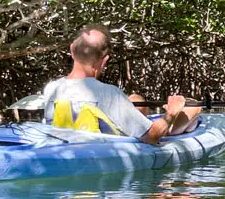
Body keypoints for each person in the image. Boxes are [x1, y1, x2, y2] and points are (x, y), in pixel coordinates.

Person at [42, 25, 201, 144]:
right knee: (194, 106)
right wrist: (172, 112)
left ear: (71, 50)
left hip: (66, 147)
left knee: (135, 99)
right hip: (102, 152)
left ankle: (141, 117)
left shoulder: (52, 88)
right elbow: (151, 137)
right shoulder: (108, 94)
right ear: (104, 61)